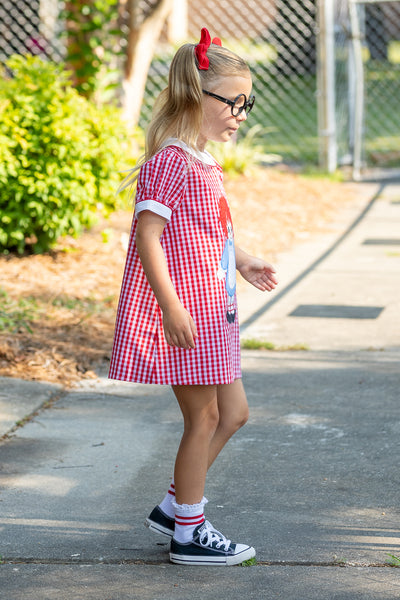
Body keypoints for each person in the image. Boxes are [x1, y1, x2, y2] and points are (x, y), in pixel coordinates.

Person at [109, 27, 278, 566]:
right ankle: (189, 529)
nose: (241, 113)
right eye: (234, 102)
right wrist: (170, 306)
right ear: (194, 95)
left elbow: (206, 230)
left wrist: (242, 257)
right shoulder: (170, 161)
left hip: (215, 312)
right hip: (189, 313)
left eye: (246, 103)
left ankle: (175, 504)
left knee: (234, 414)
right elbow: (148, 235)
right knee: (202, 420)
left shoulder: (203, 161)